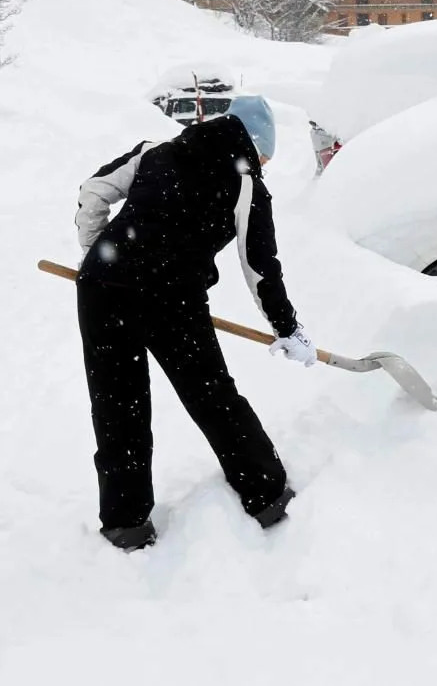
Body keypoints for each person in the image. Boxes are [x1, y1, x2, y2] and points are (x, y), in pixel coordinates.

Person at [75, 95, 316, 551]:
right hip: (172, 300)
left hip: (103, 290)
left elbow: (93, 190)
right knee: (212, 397)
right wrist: (288, 328)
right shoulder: (246, 185)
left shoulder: (156, 149)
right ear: (255, 145)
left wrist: (95, 255)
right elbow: (261, 267)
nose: (264, 163)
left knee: (117, 405)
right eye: (265, 155)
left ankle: (125, 523)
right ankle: (267, 495)